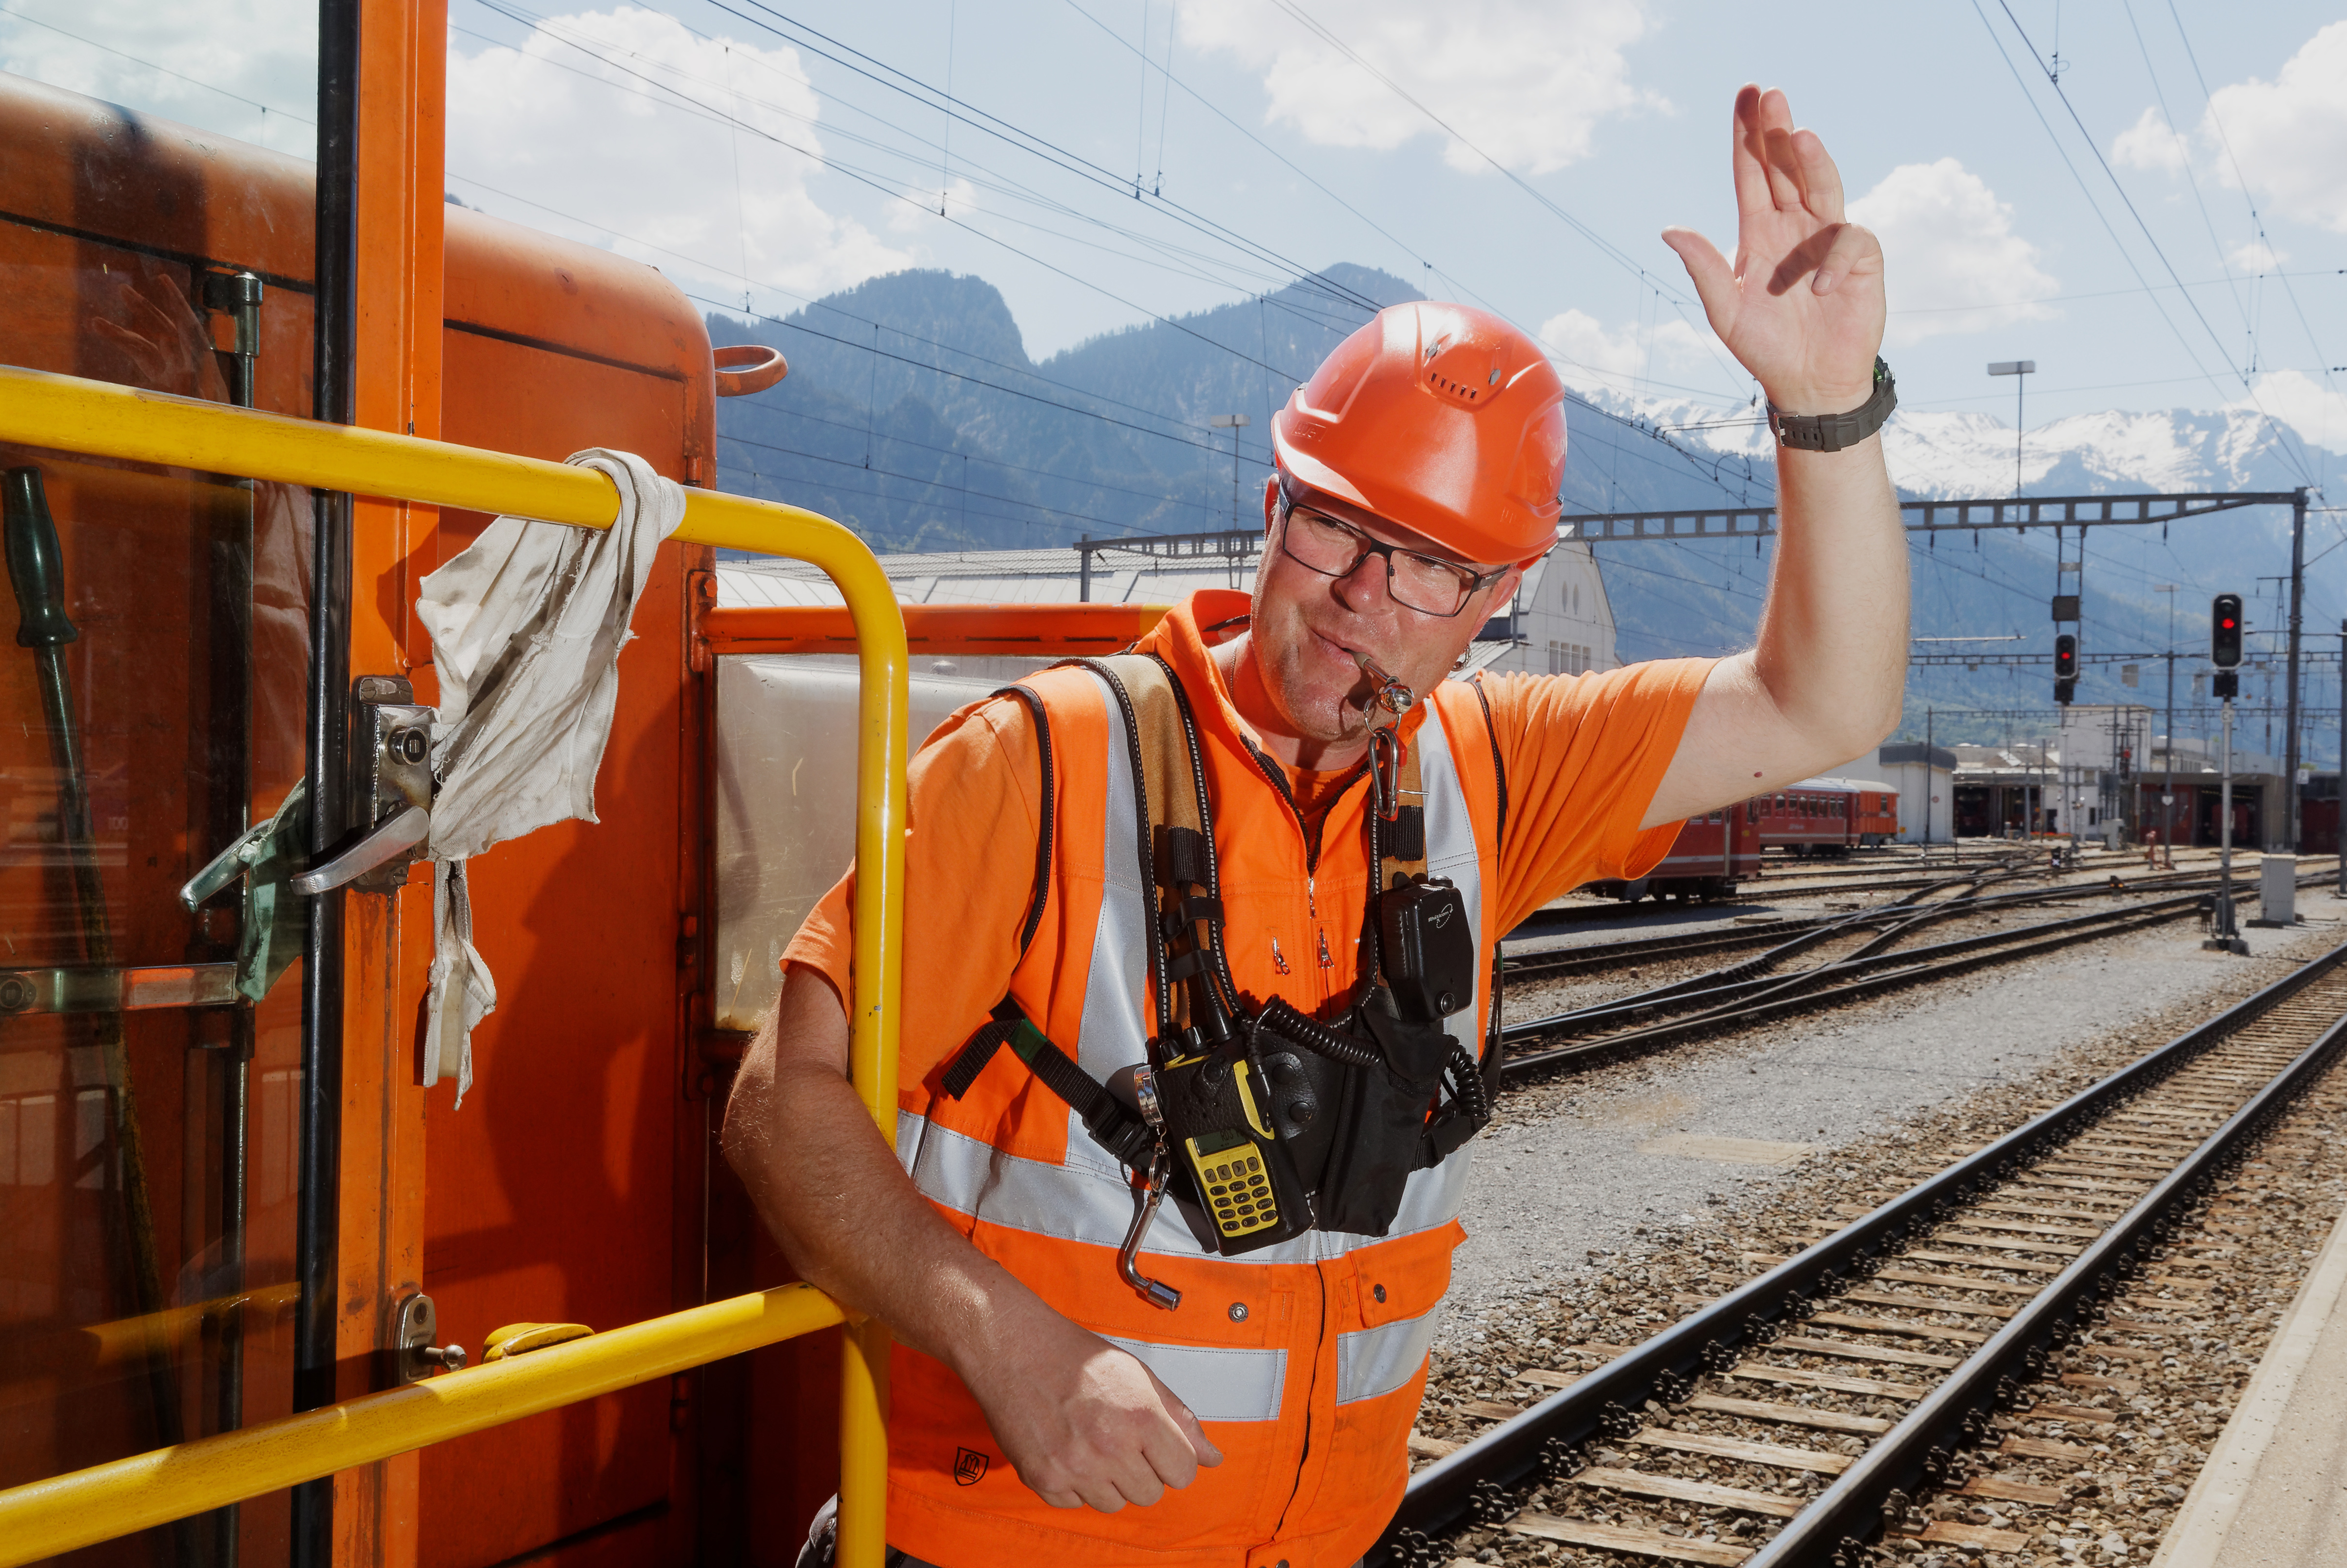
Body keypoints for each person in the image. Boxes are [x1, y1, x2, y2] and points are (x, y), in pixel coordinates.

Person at [723, 83, 1908, 1568]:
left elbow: (1824, 705)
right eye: (1335, 527)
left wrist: (1823, 409)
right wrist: (1010, 1346)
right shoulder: (1043, 760)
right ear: (1273, 501)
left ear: (1493, 603)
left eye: (1430, 571)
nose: (1362, 598)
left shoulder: (1485, 772)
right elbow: (781, 1103)